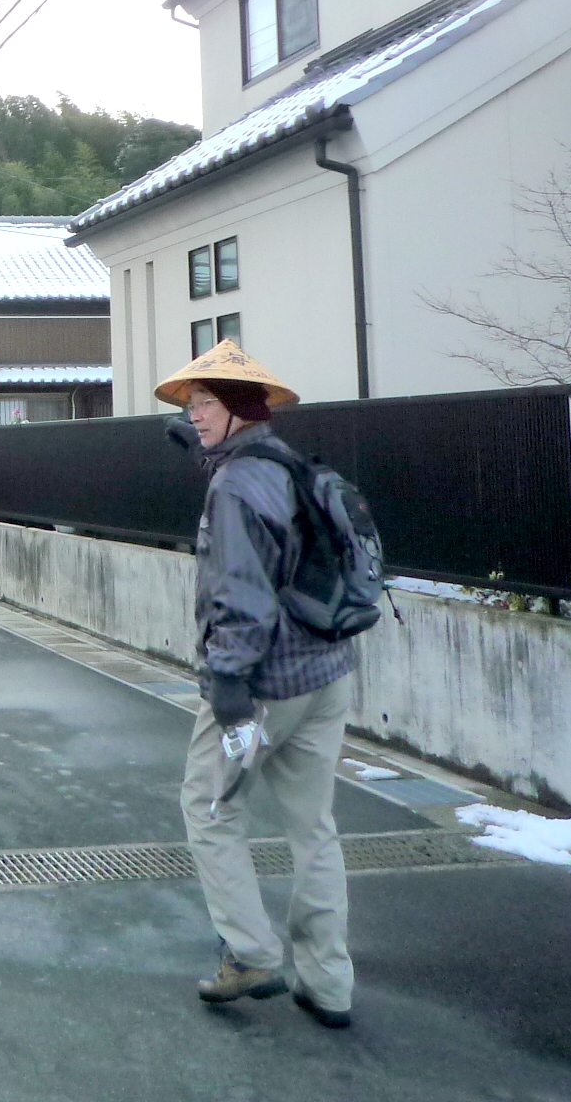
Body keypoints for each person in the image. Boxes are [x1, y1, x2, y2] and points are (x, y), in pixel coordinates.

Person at [156, 339, 358, 1028]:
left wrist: (231, 683)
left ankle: (249, 951)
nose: (195, 413)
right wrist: (206, 453)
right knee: (314, 828)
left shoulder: (237, 483)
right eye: (191, 404)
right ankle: (329, 982)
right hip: (325, 674)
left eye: (205, 402)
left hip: (262, 683)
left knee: (210, 810)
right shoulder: (285, 464)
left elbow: (241, 589)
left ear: (240, 407)